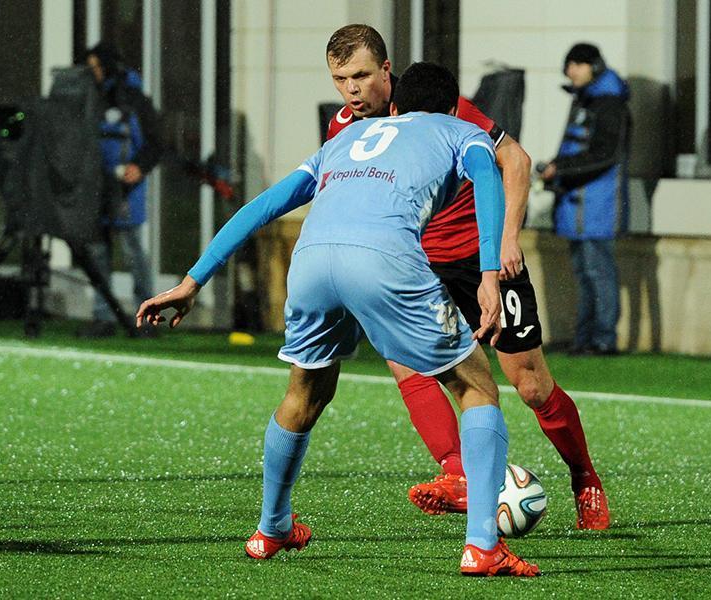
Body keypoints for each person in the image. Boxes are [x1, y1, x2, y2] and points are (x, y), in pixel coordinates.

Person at [137, 62, 539, 577]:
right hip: (383, 259)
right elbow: (488, 178)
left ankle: (271, 528)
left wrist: (193, 280)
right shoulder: (463, 131)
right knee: (476, 387)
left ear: (396, 105)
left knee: (305, 394)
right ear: (451, 107)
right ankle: (483, 547)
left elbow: (265, 205)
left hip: (311, 262)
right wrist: (488, 273)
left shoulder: (346, 138)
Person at [325, 24, 609, 528]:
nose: (352, 90)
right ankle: (457, 474)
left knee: (530, 385)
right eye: (341, 79)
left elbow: (514, 159)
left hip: (479, 257)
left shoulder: (435, 102)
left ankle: (584, 476)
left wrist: (505, 242)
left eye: (361, 76)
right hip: (416, 266)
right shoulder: (343, 129)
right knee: (407, 365)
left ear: (386, 71)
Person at [538, 43, 630, 356]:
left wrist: (560, 168)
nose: (571, 71)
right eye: (569, 65)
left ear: (595, 66)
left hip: (597, 206)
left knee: (598, 273)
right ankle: (585, 338)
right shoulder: (587, 99)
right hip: (579, 206)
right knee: (585, 274)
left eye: (577, 64)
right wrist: (558, 169)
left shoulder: (609, 103)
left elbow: (605, 154)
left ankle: (603, 338)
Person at [78, 41, 162, 338]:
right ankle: (103, 316)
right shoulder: (91, 98)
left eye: (96, 67)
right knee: (98, 252)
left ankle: (147, 317)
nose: (93, 73)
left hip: (128, 189)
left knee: (133, 252)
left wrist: (139, 166)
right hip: (97, 187)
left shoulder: (134, 99)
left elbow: (156, 142)